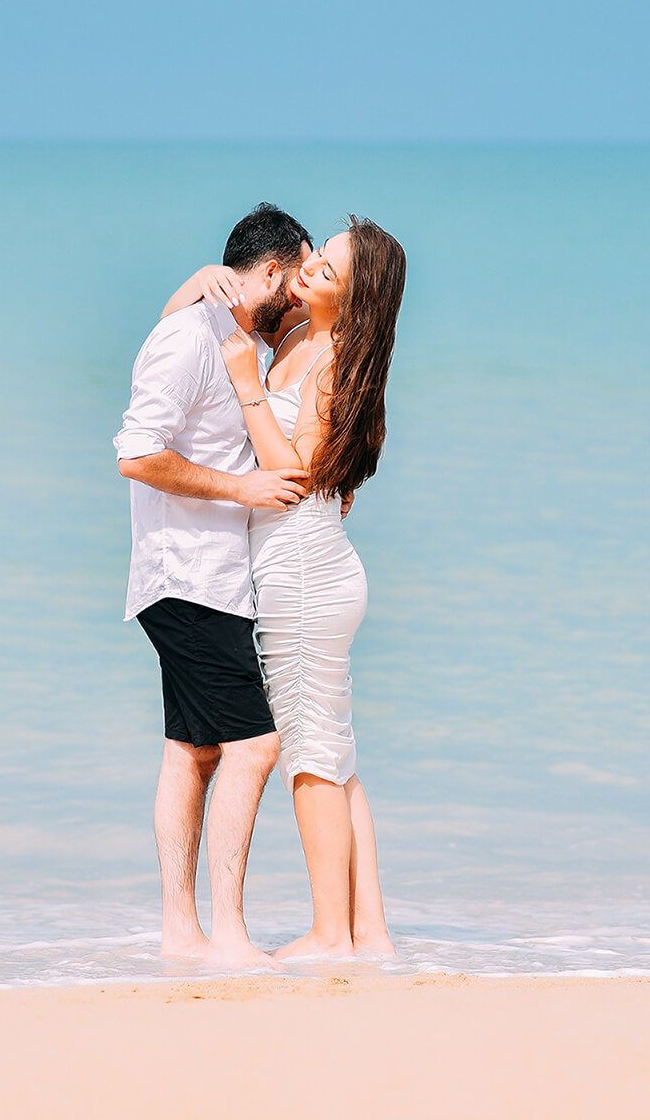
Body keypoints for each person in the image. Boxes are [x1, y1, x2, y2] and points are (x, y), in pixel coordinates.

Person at [113, 203, 314, 968]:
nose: (295, 300)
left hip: (210, 579)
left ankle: (181, 933)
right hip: (187, 576)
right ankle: (228, 933)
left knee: (191, 753)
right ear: (271, 271)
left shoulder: (225, 334)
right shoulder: (188, 337)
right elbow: (136, 454)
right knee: (255, 746)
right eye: (296, 283)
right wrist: (246, 489)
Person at [221, 216, 407, 960]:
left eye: (324, 272)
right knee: (335, 755)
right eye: (315, 258)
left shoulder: (331, 357)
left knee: (309, 758)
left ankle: (331, 933)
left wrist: (245, 390)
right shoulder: (302, 337)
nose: (306, 272)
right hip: (313, 564)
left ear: (351, 302)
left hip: (303, 568)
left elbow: (290, 478)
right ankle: (372, 933)